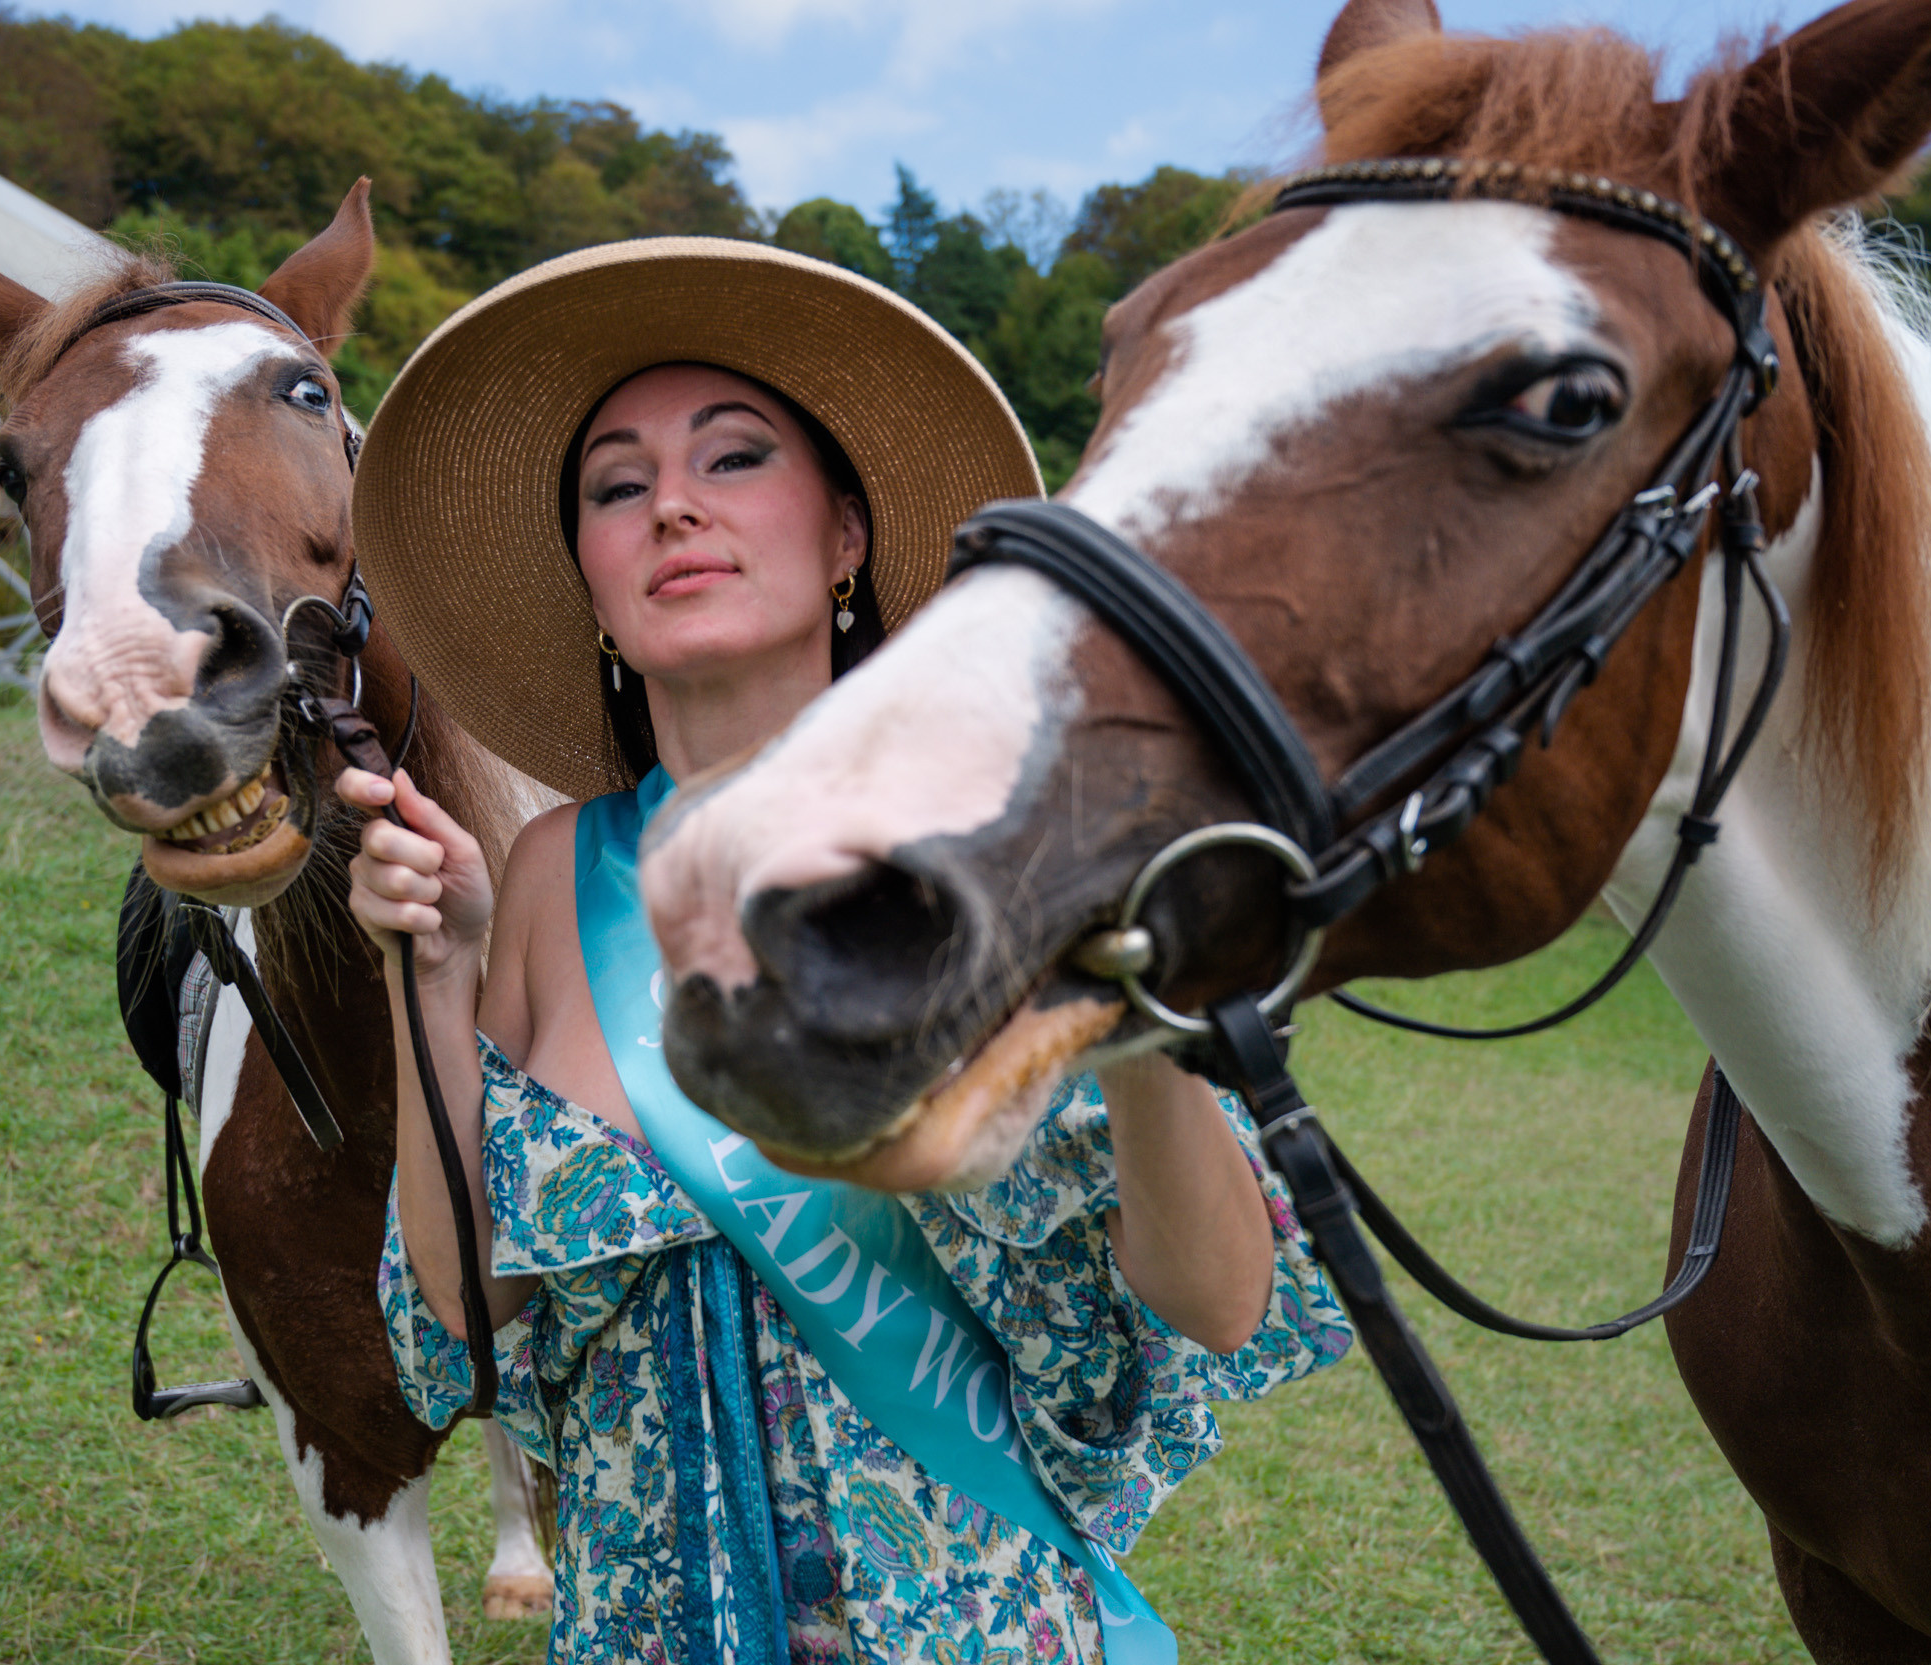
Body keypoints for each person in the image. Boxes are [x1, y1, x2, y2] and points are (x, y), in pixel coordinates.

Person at [341, 238, 1350, 1665]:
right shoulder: (554, 872)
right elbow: (465, 1326)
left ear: (848, 540)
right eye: (617, 487)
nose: (672, 503)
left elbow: (1217, 1297)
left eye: (733, 458)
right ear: (593, 576)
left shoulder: (997, 841)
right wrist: (432, 975)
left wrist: (1137, 1015)